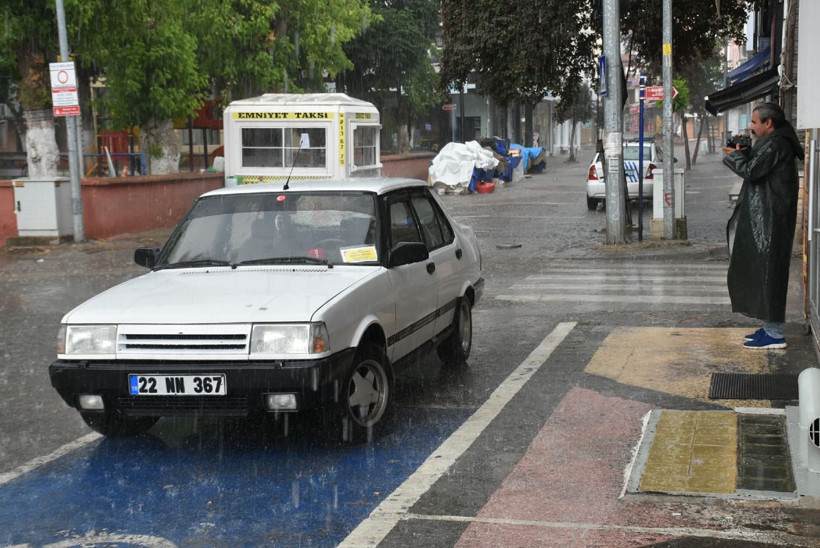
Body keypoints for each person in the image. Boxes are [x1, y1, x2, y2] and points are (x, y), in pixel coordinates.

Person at [722, 102, 805, 349]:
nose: (752, 127)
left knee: (770, 273)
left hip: (772, 218)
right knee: (764, 272)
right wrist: (743, 153)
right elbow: (759, 165)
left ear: (768, 123)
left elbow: (753, 171)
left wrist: (733, 156)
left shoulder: (776, 143)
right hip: (770, 217)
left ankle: (775, 333)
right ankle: (770, 327)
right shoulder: (774, 142)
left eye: (755, 122)